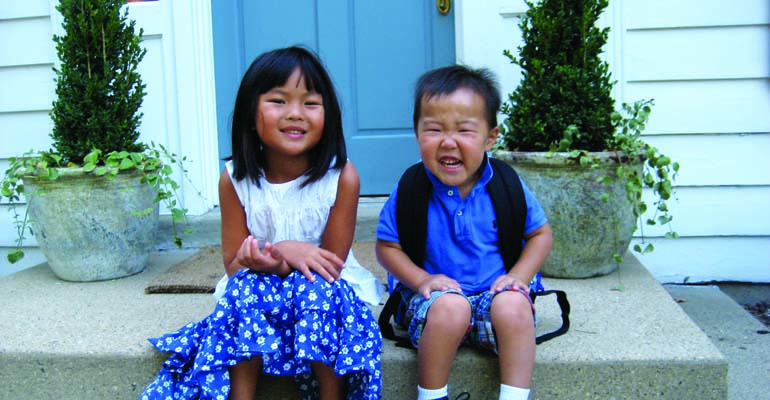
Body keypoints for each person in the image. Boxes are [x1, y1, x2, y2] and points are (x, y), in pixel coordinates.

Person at [140, 46, 383, 400]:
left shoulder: (341, 177)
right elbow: (234, 265)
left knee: (318, 292)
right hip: (261, 283)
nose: (296, 114)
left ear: (328, 115)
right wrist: (275, 256)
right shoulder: (234, 179)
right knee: (243, 291)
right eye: (278, 101)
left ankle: (332, 395)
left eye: (311, 103)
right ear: (250, 114)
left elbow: (330, 264)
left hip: (322, 284)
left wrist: (288, 260)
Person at [375, 65, 553, 400]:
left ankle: (515, 396)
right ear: (416, 134)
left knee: (513, 305)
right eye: (434, 129)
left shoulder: (506, 185)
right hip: (435, 303)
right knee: (452, 309)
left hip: (493, 299)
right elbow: (387, 247)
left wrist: (518, 276)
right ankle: (431, 396)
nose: (448, 141)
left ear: (490, 137)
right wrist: (421, 280)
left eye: (465, 131)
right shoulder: (413, 187)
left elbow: (540, 235)